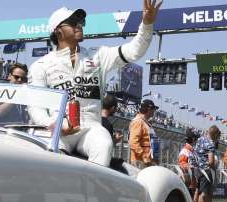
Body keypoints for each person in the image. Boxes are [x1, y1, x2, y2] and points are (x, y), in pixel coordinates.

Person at [28, 0, 162, 167]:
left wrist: (147, 24)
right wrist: (52, 125)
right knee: (46, 152)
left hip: (91, 128)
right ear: (58, 31)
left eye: (81, 22)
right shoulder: (40, 65)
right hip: (59, 128)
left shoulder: (98, 55)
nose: (79, 25)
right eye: (72, 22)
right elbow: (35, 107)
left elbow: (135, 51)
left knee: (104, 144)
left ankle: (92, 191)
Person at [129, 99, 159, 169]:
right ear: (149, 109)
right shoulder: (139, 122)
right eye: (153, 109)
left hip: (147, 161)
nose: (154, 111)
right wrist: (144, 156)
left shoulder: (145, 122)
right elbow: (133, 142)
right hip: (140, 162)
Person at [194, 125, 221, 202]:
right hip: (206, 171)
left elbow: (195, 153)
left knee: (197, 191)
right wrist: (214, 167)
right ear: (215, 134)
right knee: (204, 194)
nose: (217, 138)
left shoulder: (200, 139)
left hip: (197, 169)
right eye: (217, 136)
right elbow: (211, 161)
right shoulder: (210, 144)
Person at [178, 128, 199, 200]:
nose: (197, 140)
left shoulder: (194, 152)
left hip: (194, 184)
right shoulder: (184, 151)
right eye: (196, 138)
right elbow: (182, 165)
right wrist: (191, 167)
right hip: (187, 185)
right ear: (193, 139)